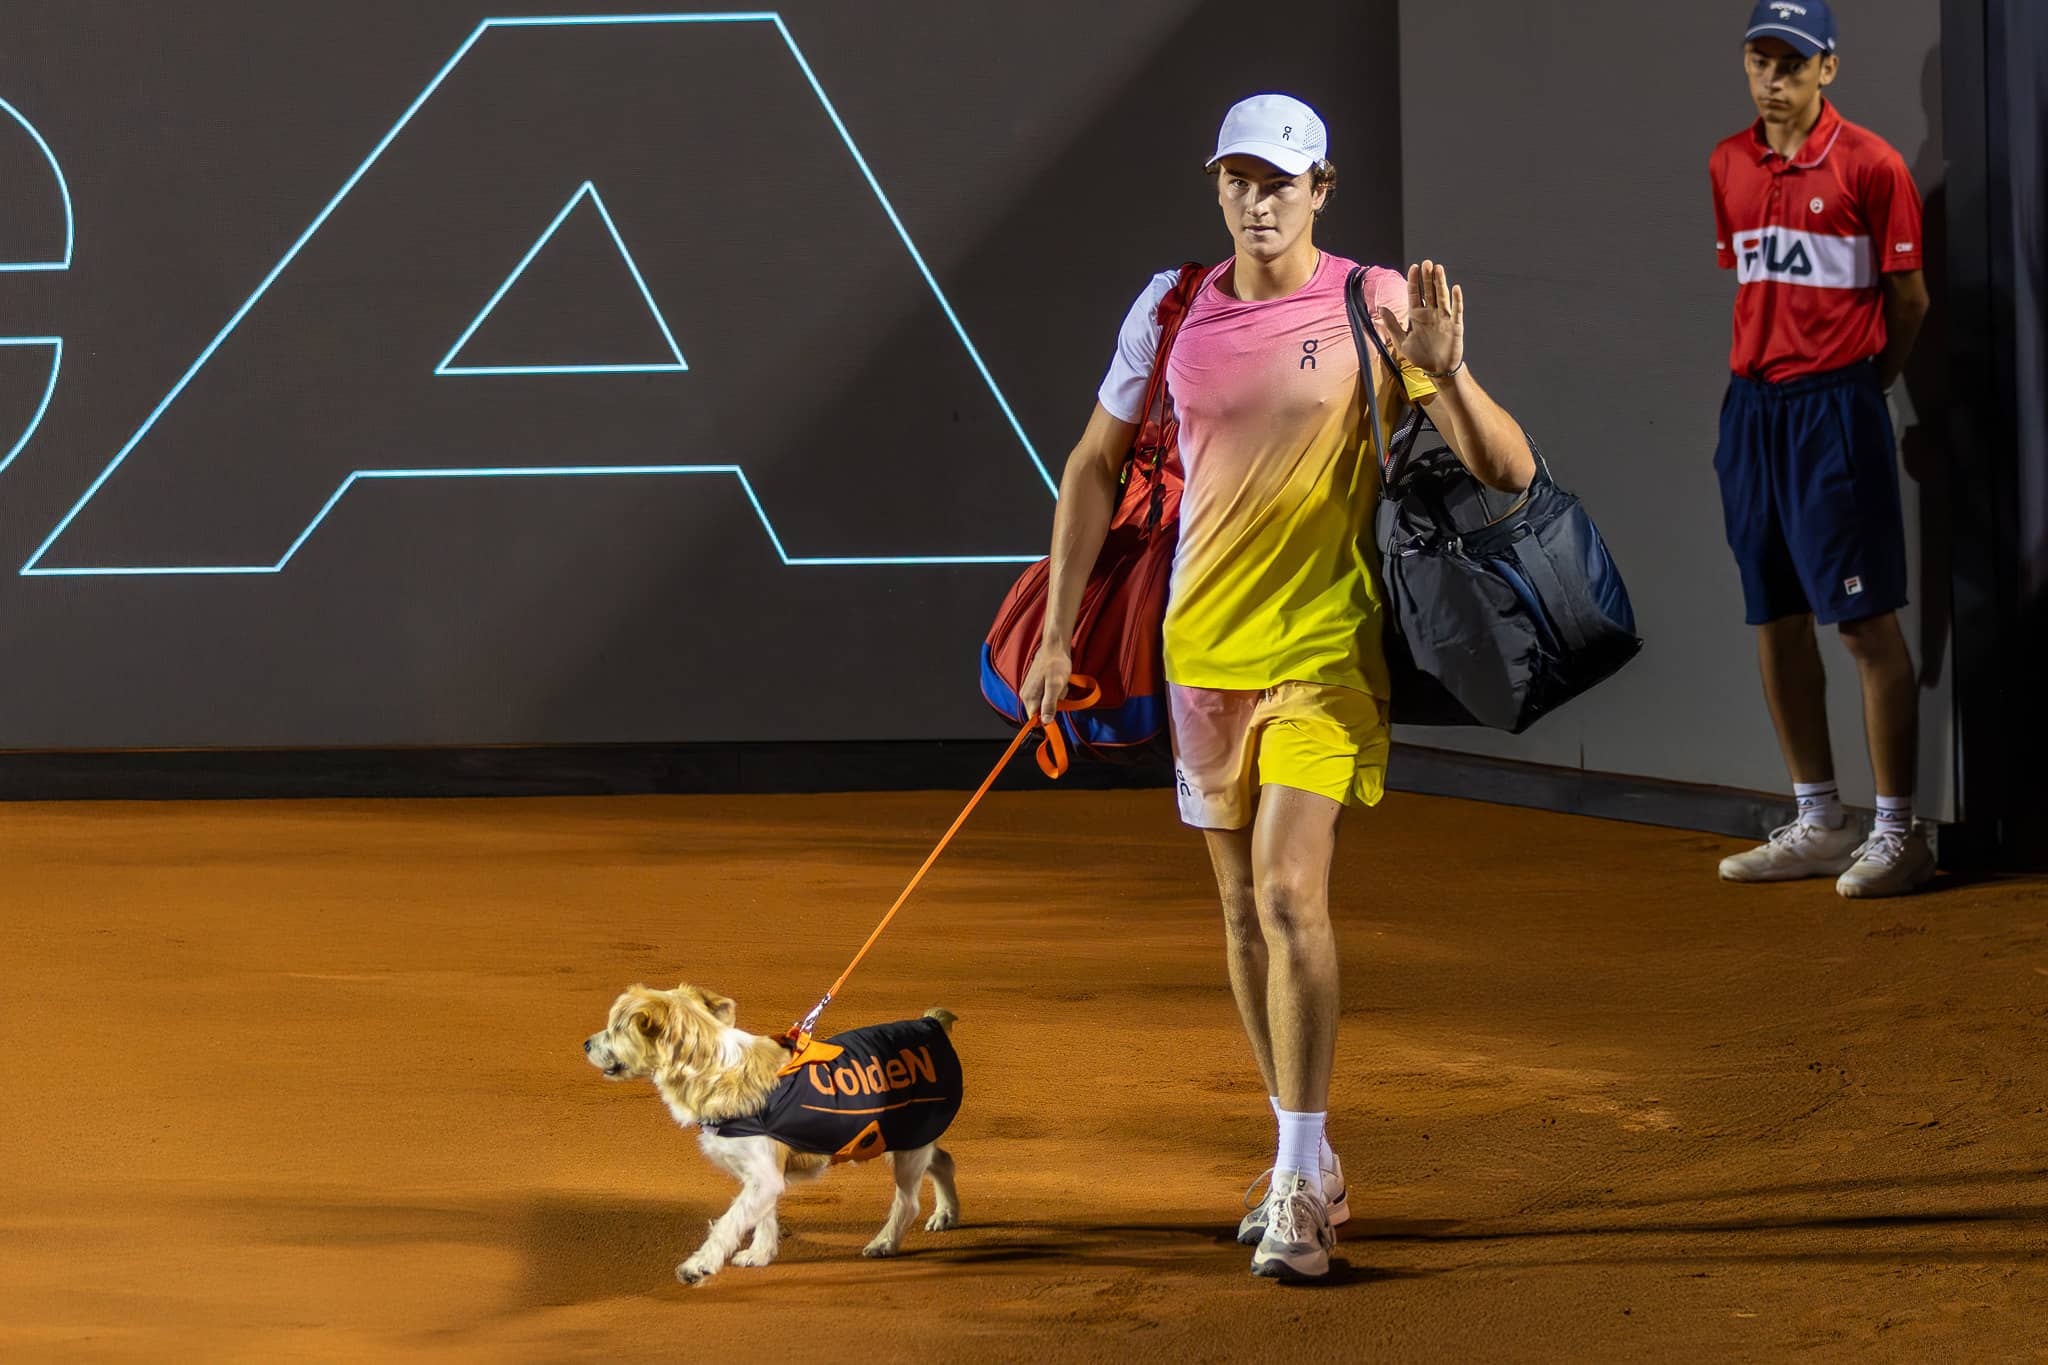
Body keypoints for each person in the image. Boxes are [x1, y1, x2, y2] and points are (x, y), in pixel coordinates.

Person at [1017, 93, 1533, 1281]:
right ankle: (1302, 1149)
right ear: (1217, 185)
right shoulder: (1171, 304)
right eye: (1239, 180)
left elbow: (1506, 468)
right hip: (1201, 655)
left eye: (1281, 181)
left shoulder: (1375, 300)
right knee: (1242, 916)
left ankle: (1297, 1182)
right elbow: (1093, 465)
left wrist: (1441, 380)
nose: (1259, 201)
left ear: (1320, 189)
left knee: (1290, 895)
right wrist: (1058, 635)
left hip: (1324, 647)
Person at [1709, 0, 1934, 897]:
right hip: (1752, 413)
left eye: (1792, 64)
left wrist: (1864, 385)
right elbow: (1752, 282)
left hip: (1834, 408)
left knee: (1865, 622)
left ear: (1826, 69)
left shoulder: (1873, 165)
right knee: (1774, 612)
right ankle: (1820, 816)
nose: (1773, 79)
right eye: (1760, 60)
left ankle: (1897, 830)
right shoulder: (1727, 163)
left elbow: (1909, 302)